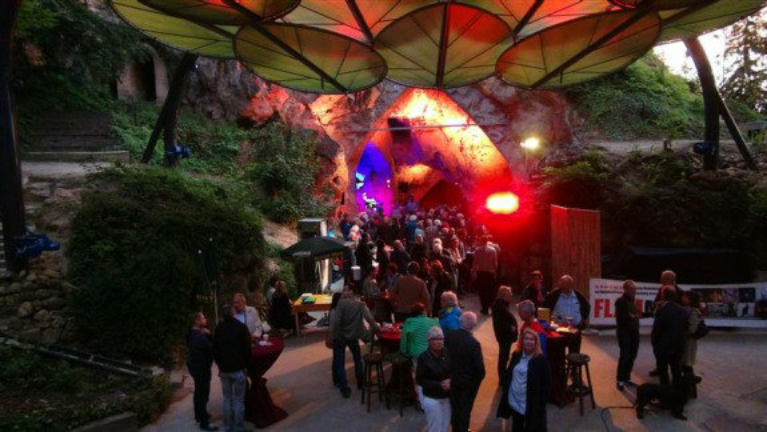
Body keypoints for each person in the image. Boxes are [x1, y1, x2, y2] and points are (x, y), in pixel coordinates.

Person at [329, 286, 380, 398]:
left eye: (346, 290)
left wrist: (332, 336)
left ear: (351, 292)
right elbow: (370, 319)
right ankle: (360, 382)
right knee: (357, 359)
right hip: (353, 336)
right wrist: (377, 329)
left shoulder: (341, 304)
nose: (343, 292)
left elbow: (336, 322)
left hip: (341, 336)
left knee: (340, 362)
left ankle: (344, 387)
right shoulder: (361, 304)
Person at [496, 328, 550, 432]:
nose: (529, 341)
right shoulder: (516, 355)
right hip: (514, 401)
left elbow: (546, 384)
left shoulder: (541, 360)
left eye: (531, 339)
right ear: (522, 341)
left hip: (530, 403)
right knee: (516, 426)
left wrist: (541, 404)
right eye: (526, 339)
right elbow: (509, 373)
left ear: (536, 342)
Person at [213, 304, 252, 432]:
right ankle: (239, 427)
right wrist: (246, 366)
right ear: (233, 313)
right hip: (238, 369)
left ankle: (228, 427)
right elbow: (247, 349)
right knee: (238, 400)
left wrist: (219, 365)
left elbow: (215, 349)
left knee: (227, 399)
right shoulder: (241, 327)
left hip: (224, 370)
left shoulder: (219, 328)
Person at [445, 312, 485, 432]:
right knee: (465, 410)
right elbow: (479, 368)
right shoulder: (473, 343)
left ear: (460, 321)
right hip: (467, 383)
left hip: (452, 379)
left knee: (455, 407)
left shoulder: (449, 336)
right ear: (473, 325)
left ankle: (455, 428)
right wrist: (476, 382)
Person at [187, 312, 218, 431]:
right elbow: (213, 347)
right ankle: (204, 423)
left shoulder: (192, 333)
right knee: (203, 395)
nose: (205, 320)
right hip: (201, 369)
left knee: (198, 392)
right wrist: (209, 335)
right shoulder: (199, 337)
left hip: (196, 366)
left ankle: (199, 415)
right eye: (203, 318)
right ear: (197, 321)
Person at [651, 287, 689, 386]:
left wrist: (655, 344)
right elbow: (686, 328)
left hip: (663, 346)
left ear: (663, 296)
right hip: (678, 346)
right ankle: (677, 392)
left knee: (663, 372)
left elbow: (656, 330)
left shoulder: (661, 310)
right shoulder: (683, 310)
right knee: (676, 371)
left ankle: (665, 392)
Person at [417, 326, 451, 432]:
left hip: (447, 397)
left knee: (445, 426)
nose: (439, 341)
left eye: (441, 338)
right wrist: (439, 385)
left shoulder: (448, 353)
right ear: (429, 341)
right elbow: (420, 380)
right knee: (435, 428)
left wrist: (451, 380)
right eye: (436, 339)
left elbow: (455, 370)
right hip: (431, 397)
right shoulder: (423, 358)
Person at [615, 280, 640, 390]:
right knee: (625, 355)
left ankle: (626, 377)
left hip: (634, 332)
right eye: (631, 289)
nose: (634, 291)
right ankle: (620, 380)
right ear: (625, 289)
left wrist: (634, 315)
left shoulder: (632, 301)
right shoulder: (620, 301)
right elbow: (622, 317)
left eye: (635, 289)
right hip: (624, 332)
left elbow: (637, 314)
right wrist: (632, 316)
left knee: (633, 355)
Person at [492, 286, 518, 380]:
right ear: (504, 296)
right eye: (509, 295)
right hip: (504, 337)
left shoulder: (501, 305)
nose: (511, 296)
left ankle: (502, 376)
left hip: (503, 336)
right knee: (504, 357)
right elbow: (502, 324)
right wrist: (511, 329)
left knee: (504, 356)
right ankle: (502, 378)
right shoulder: (500, 307)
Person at [680, 290, 702, 398]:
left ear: (690, 299)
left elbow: (692, 329)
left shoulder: (694, 311)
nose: (682, 298)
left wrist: (681, 331)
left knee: (687, 367)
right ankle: (689, 390)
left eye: (685, 297)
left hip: (689, 343)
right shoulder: (687, 309)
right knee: (685, 367)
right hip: (685, 342)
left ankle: (691, 391)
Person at [472, 235, 499, 315]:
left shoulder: (477, 250)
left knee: (482, 291)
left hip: (481, 273)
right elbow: (495, 263)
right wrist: (495, 272)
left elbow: (475, 262)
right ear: (487, 241)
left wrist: (474, 272)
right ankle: (492, 307)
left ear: (481, 241)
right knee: (490, 291)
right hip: (490, 273)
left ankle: (485, 308)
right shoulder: (493, 250)